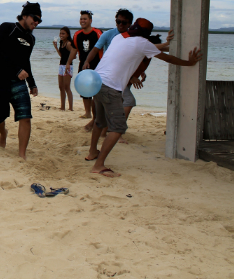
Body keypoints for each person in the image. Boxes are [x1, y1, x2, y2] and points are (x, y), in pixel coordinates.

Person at [86, 18, 202, 177]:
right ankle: (99, 166)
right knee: (118, 128)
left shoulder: (120, 37)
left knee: (100, 121)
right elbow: (167, 58)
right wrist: (189, 63)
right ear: (146, 34)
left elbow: (144, 48)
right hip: (111, 87)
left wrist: (166, 44)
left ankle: (93, 152)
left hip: (97, 82)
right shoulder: (142, 43)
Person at [0, 2, 41, 160]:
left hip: (18, 82)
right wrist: (16, 69)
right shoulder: (7, 28)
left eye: (39, 21)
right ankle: (3, 133)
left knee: (25, 116)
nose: (36, 22)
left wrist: (32, 83)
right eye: (35, 18)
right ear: (25, 15)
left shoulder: (31, 38)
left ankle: (21, 154)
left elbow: (26, 61)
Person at [67, 10, 102, 130]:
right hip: (83, 65)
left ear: (90, 20)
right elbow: (74, 50)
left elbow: (105, 48)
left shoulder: (97, 33)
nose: (83, 21)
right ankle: (88, 112)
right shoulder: (77, 35)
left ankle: (97, 115)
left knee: (96, 91)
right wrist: (68, 63)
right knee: (85, 91)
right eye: (81, 19)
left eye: (85, 19)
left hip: (97, 65)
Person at [53, 26, 74, 111]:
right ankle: (62, 106)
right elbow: (62, 56)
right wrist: (56, 47)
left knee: (67, 87)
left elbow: (74, 55)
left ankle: (71, 108)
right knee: (61, 87)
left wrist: (68, 64)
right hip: (61, 65)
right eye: (60, 33)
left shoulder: (69, 43)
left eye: (63, 33)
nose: (61, 35)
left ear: (67, 34)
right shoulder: (62, 43)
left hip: (68, 66)